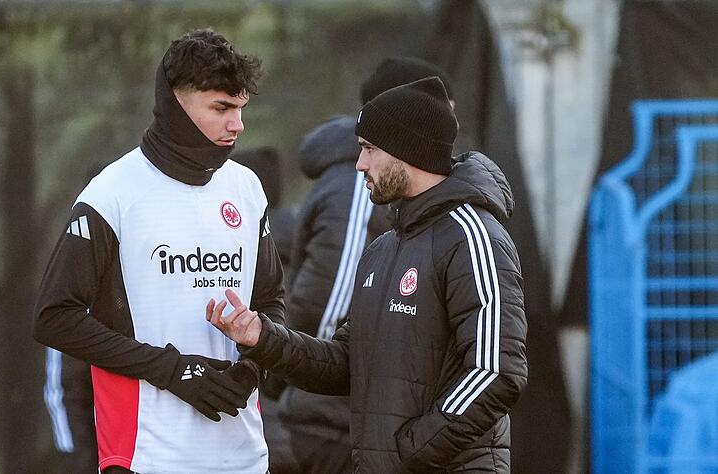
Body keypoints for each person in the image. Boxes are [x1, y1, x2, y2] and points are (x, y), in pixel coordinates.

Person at [207, 77, 528, 473]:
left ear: (406, 152)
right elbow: (346, 361)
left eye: (369, 150)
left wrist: (411, 450)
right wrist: (263, 337)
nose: (359, 164)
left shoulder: (472, 236)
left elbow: (496, 371)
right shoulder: (384, 248)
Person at [33, 28, 285, 474]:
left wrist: (251, 370)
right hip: (146, 456)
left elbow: (271, 304)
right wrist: (174, 370)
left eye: (241, 108)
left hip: (244, 457)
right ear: (176, 104)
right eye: (222, 108)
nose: (237, 125)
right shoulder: (112, 192)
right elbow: (55, 318)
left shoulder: (247, 189)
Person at [274, 57, 456, 473]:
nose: (451, 124)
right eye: (443, 108)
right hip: (335, 424)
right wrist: (293, 382)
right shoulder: (358, 188)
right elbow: (328, 307)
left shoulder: (421, 208)